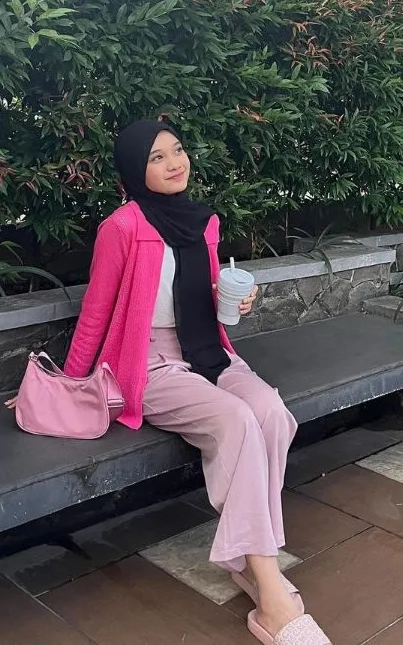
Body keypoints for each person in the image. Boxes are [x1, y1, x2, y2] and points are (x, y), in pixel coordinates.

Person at [30, 120, 333, 644]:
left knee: (270, 413)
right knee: (235, 420)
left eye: (178, 150)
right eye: (156, 157)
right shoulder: (121, 228)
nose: (175, 163)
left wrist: (236, 300)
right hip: (150, 363)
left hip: (209, 352)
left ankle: (243, 559)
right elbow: (96, 316)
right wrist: (70, 383)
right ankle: (270, 593)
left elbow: (205, 295)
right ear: (133, 171)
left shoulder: (204, 223)